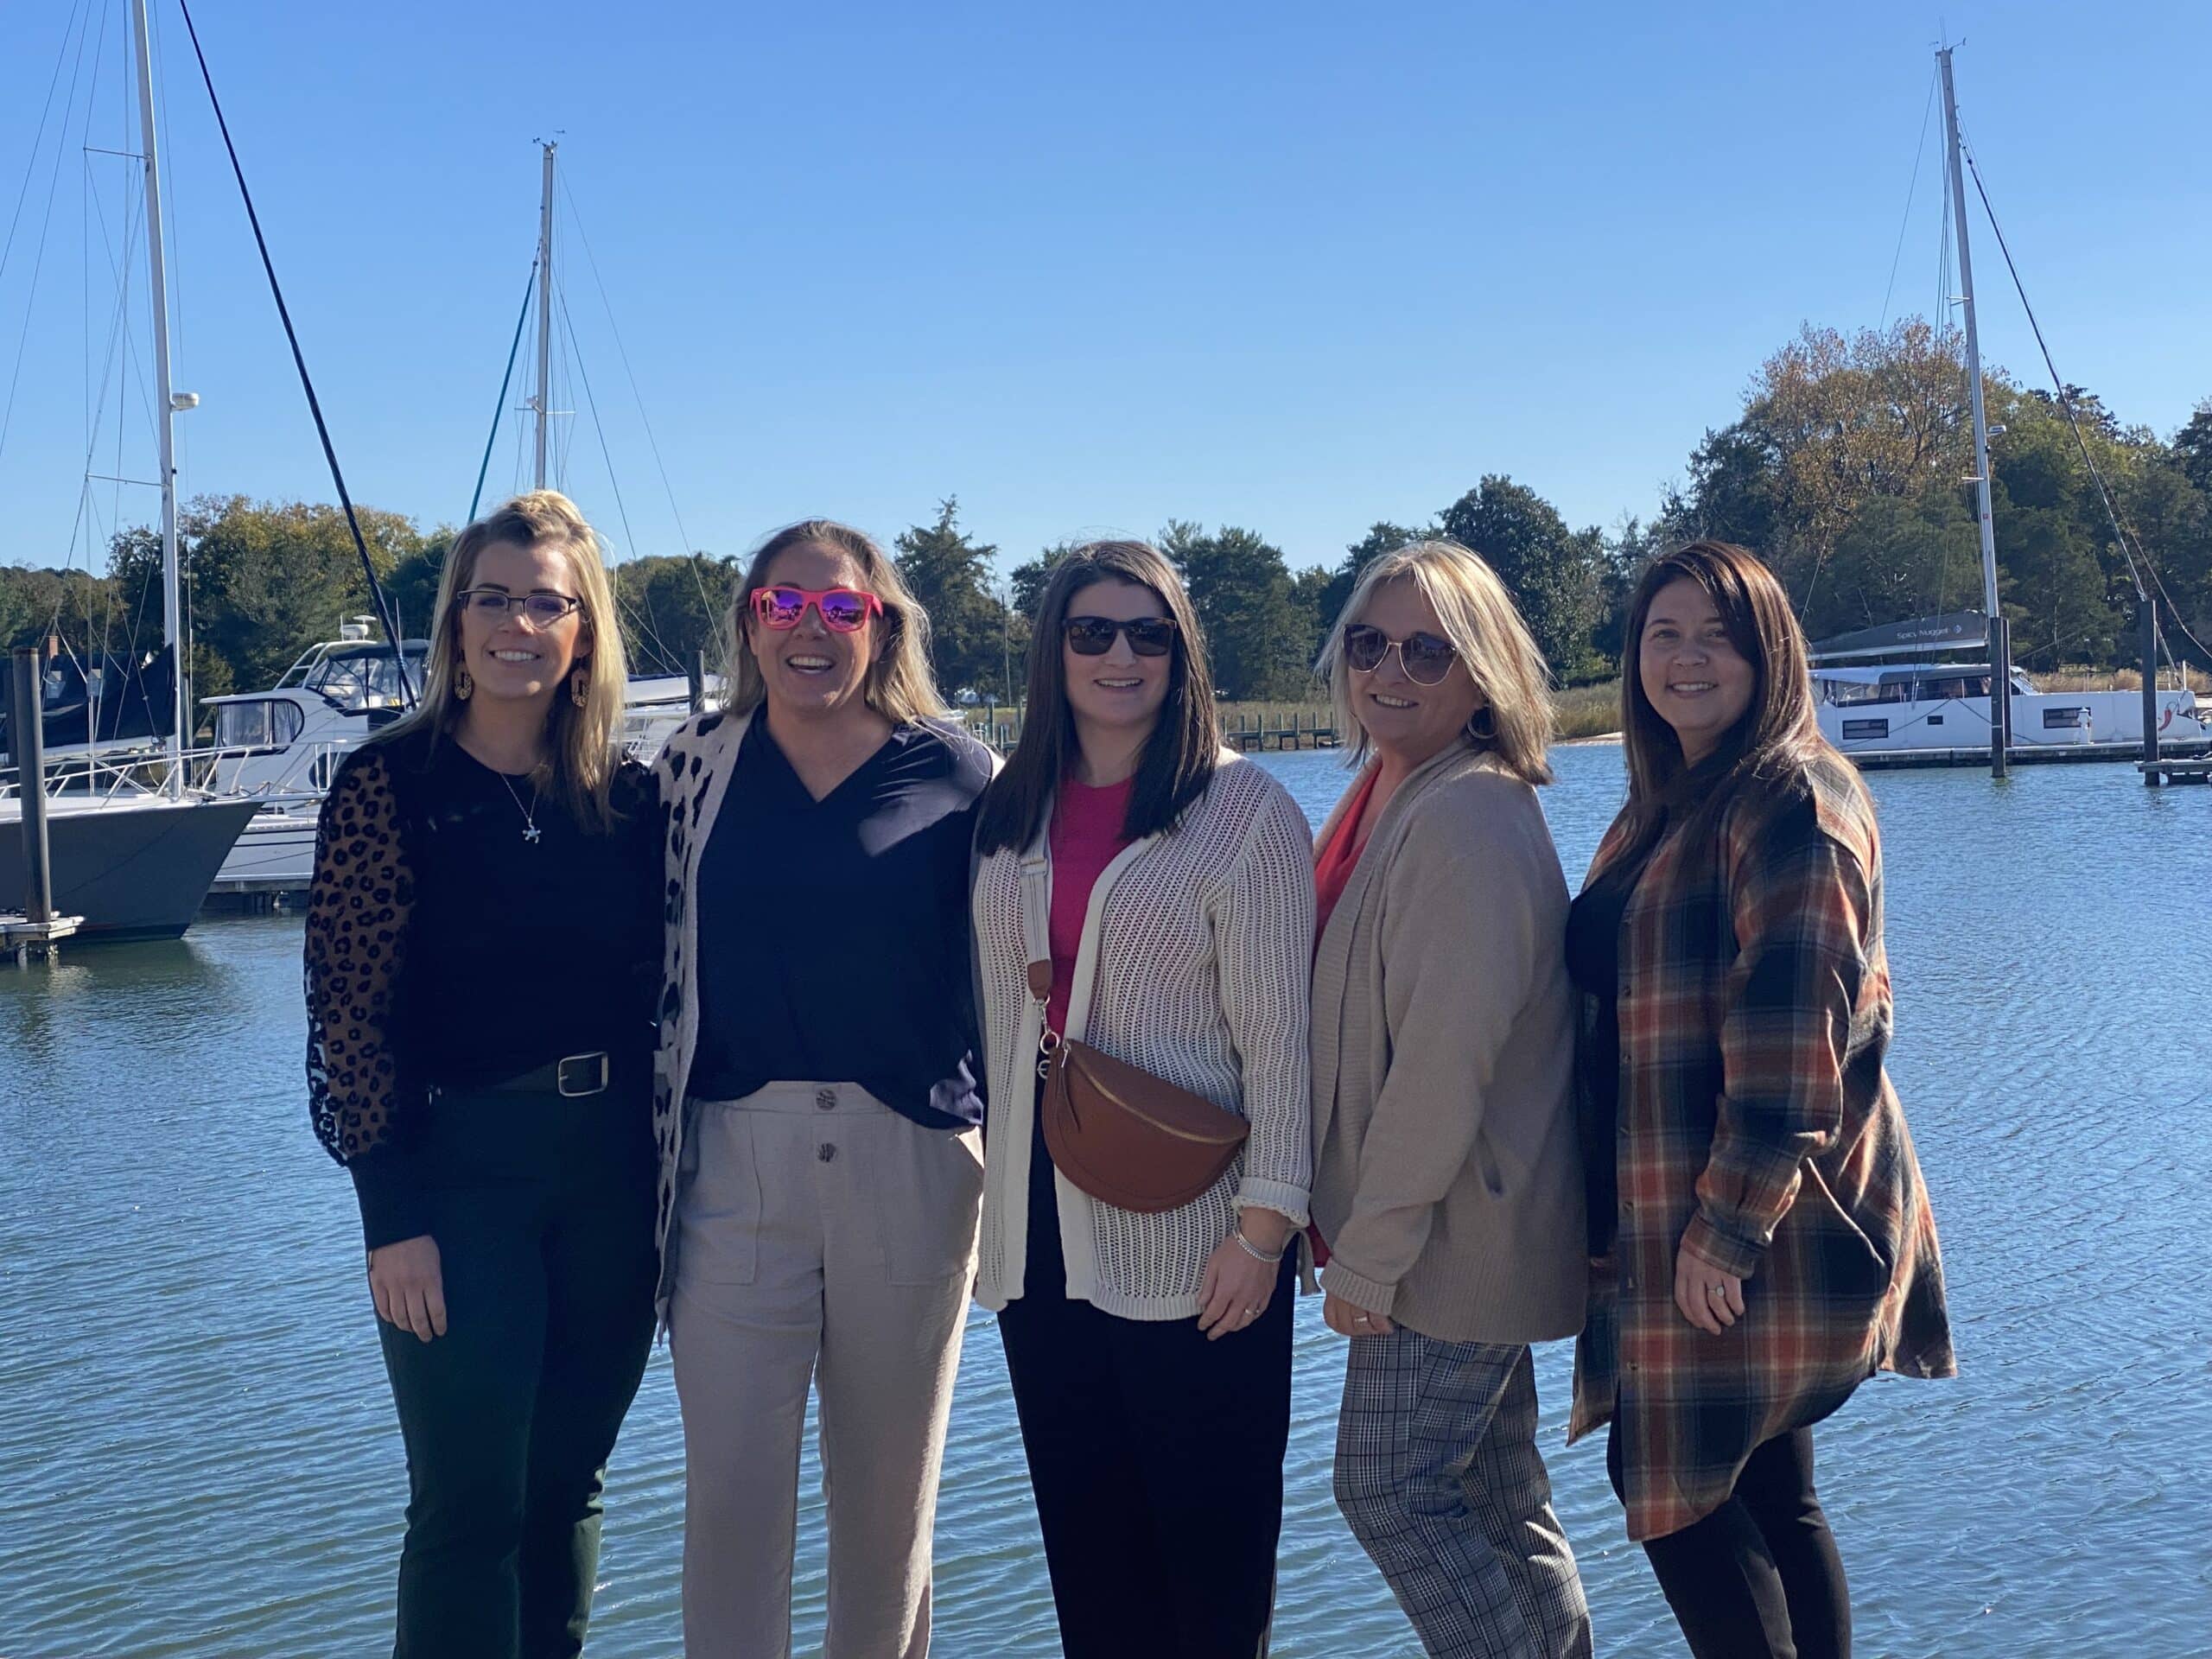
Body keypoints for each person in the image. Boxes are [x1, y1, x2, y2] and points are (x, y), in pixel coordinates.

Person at [1565, 540, 1956, 1659]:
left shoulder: (1789, 799)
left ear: (1770, 651)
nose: (1688, 659)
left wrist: (1726, 1231)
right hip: (1675, 1208)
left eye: (1719, 636)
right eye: (1664, 633)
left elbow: (1796, 1034)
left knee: (1673, 1487)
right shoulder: (1675, 798)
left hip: (1748, 1222)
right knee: (1773, 1496)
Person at [303, 490, 660, 1659]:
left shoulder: (636, 798)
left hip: (614, 1182)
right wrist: (389, 1218)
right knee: (468, 1506)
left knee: (569, 1487)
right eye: (493, 599)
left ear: (584, 631)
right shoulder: (387, 787)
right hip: (456, 1187)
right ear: (455, 624)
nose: (519, 624)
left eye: (546, 603)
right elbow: (347, 1024)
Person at [649, 519, 994, 1659]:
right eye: (782, 606)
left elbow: (1032, 974)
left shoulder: (956, 768)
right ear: (749, 621)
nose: (809, 630)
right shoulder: (692, 767)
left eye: (839, 609)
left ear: (880, 624)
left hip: (916, 1163)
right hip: (734, 1172)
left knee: (888, 1518)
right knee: (733, 1505)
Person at [970, 541, 1314, 1659]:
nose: (1121, 656)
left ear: (1181, 654)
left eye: (1149, 634)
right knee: (1093, 1571)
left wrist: (1264, 1234)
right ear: (1053, 650)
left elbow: (1280, 1042)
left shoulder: (1243, 813)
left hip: (1198, 1229)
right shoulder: (1006, 811)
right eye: (1092, 633)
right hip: (1037, 1233)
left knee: (1212, 1585)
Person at [1307, 540, 1592, 1659]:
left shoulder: (1467, 814)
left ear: (1484, 673)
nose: (1392, 672)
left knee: (1387, 1491)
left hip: (1449, 1237)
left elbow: (1442, 1058)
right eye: (1370, 644)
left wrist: (1370, 1253)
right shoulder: (1390, 786)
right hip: (1458, 1222)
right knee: (1495, 1498)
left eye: (1430, 651)